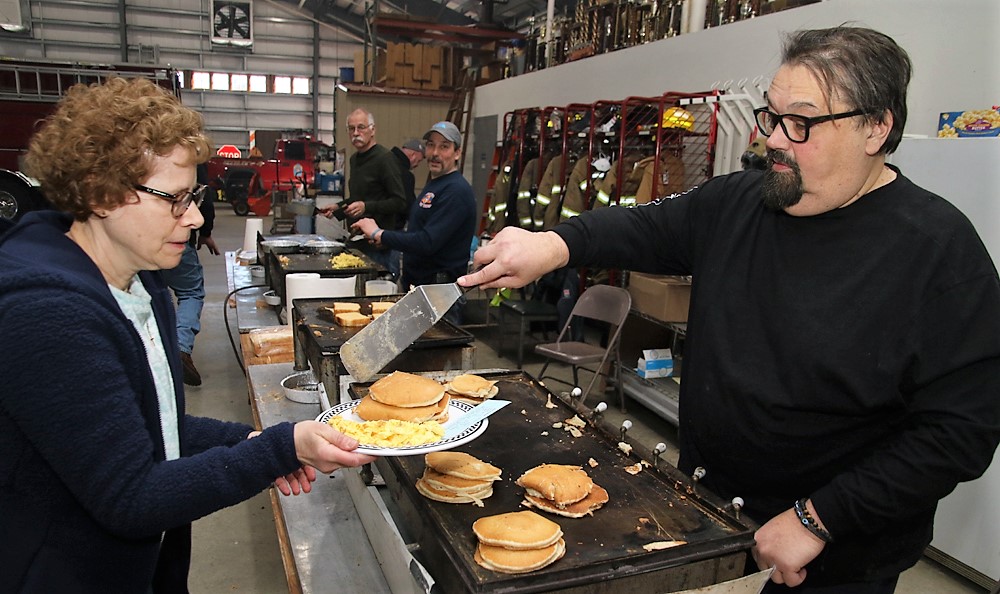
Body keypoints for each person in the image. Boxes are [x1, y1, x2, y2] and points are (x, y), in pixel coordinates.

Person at [459, 26, 1000, 593]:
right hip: (708, 516)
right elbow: (641, 226)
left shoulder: (937, 250)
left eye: (803, 123)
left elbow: (960, 430)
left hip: (833, 557)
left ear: (877, 127)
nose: (776, 140)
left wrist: (820, 517)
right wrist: (553, 245)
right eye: (771, 116)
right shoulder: (739, 201)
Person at [0, 77, 376, 593]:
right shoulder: (46, 314)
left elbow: (155, 427)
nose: (197, 217)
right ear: (102, 193)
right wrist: (275, 451)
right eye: (176, 199)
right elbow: (132, 497)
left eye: (194, 195)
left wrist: (260, 442)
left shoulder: (138, 281)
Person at [354, 121, 476, 325]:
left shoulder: (456, 191)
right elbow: (418, 232)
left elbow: (428, 242)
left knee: (436, 356)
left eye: (444, 146)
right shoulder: (435, 185)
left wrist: (379, 233)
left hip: (439, 294)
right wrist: (388, 241)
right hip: (421, 288)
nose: (435, 153)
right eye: (431, 145)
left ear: (457, 153)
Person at [321, 108, 408, 279]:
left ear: (372, 130)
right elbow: (358, 197)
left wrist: (366, 206)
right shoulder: (355, 160)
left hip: (379, 247)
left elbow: (399, 201)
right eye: (351, 128)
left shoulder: (385, 159)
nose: (356, 133)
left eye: (361, 127)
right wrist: (338, 208)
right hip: (358, 242)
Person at [161, 163, 219, 387]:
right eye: (174, 198)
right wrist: (205, 233)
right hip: (181, 243)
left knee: (156, 290)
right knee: (190, 292)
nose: (196, 218)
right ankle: (180, 347)